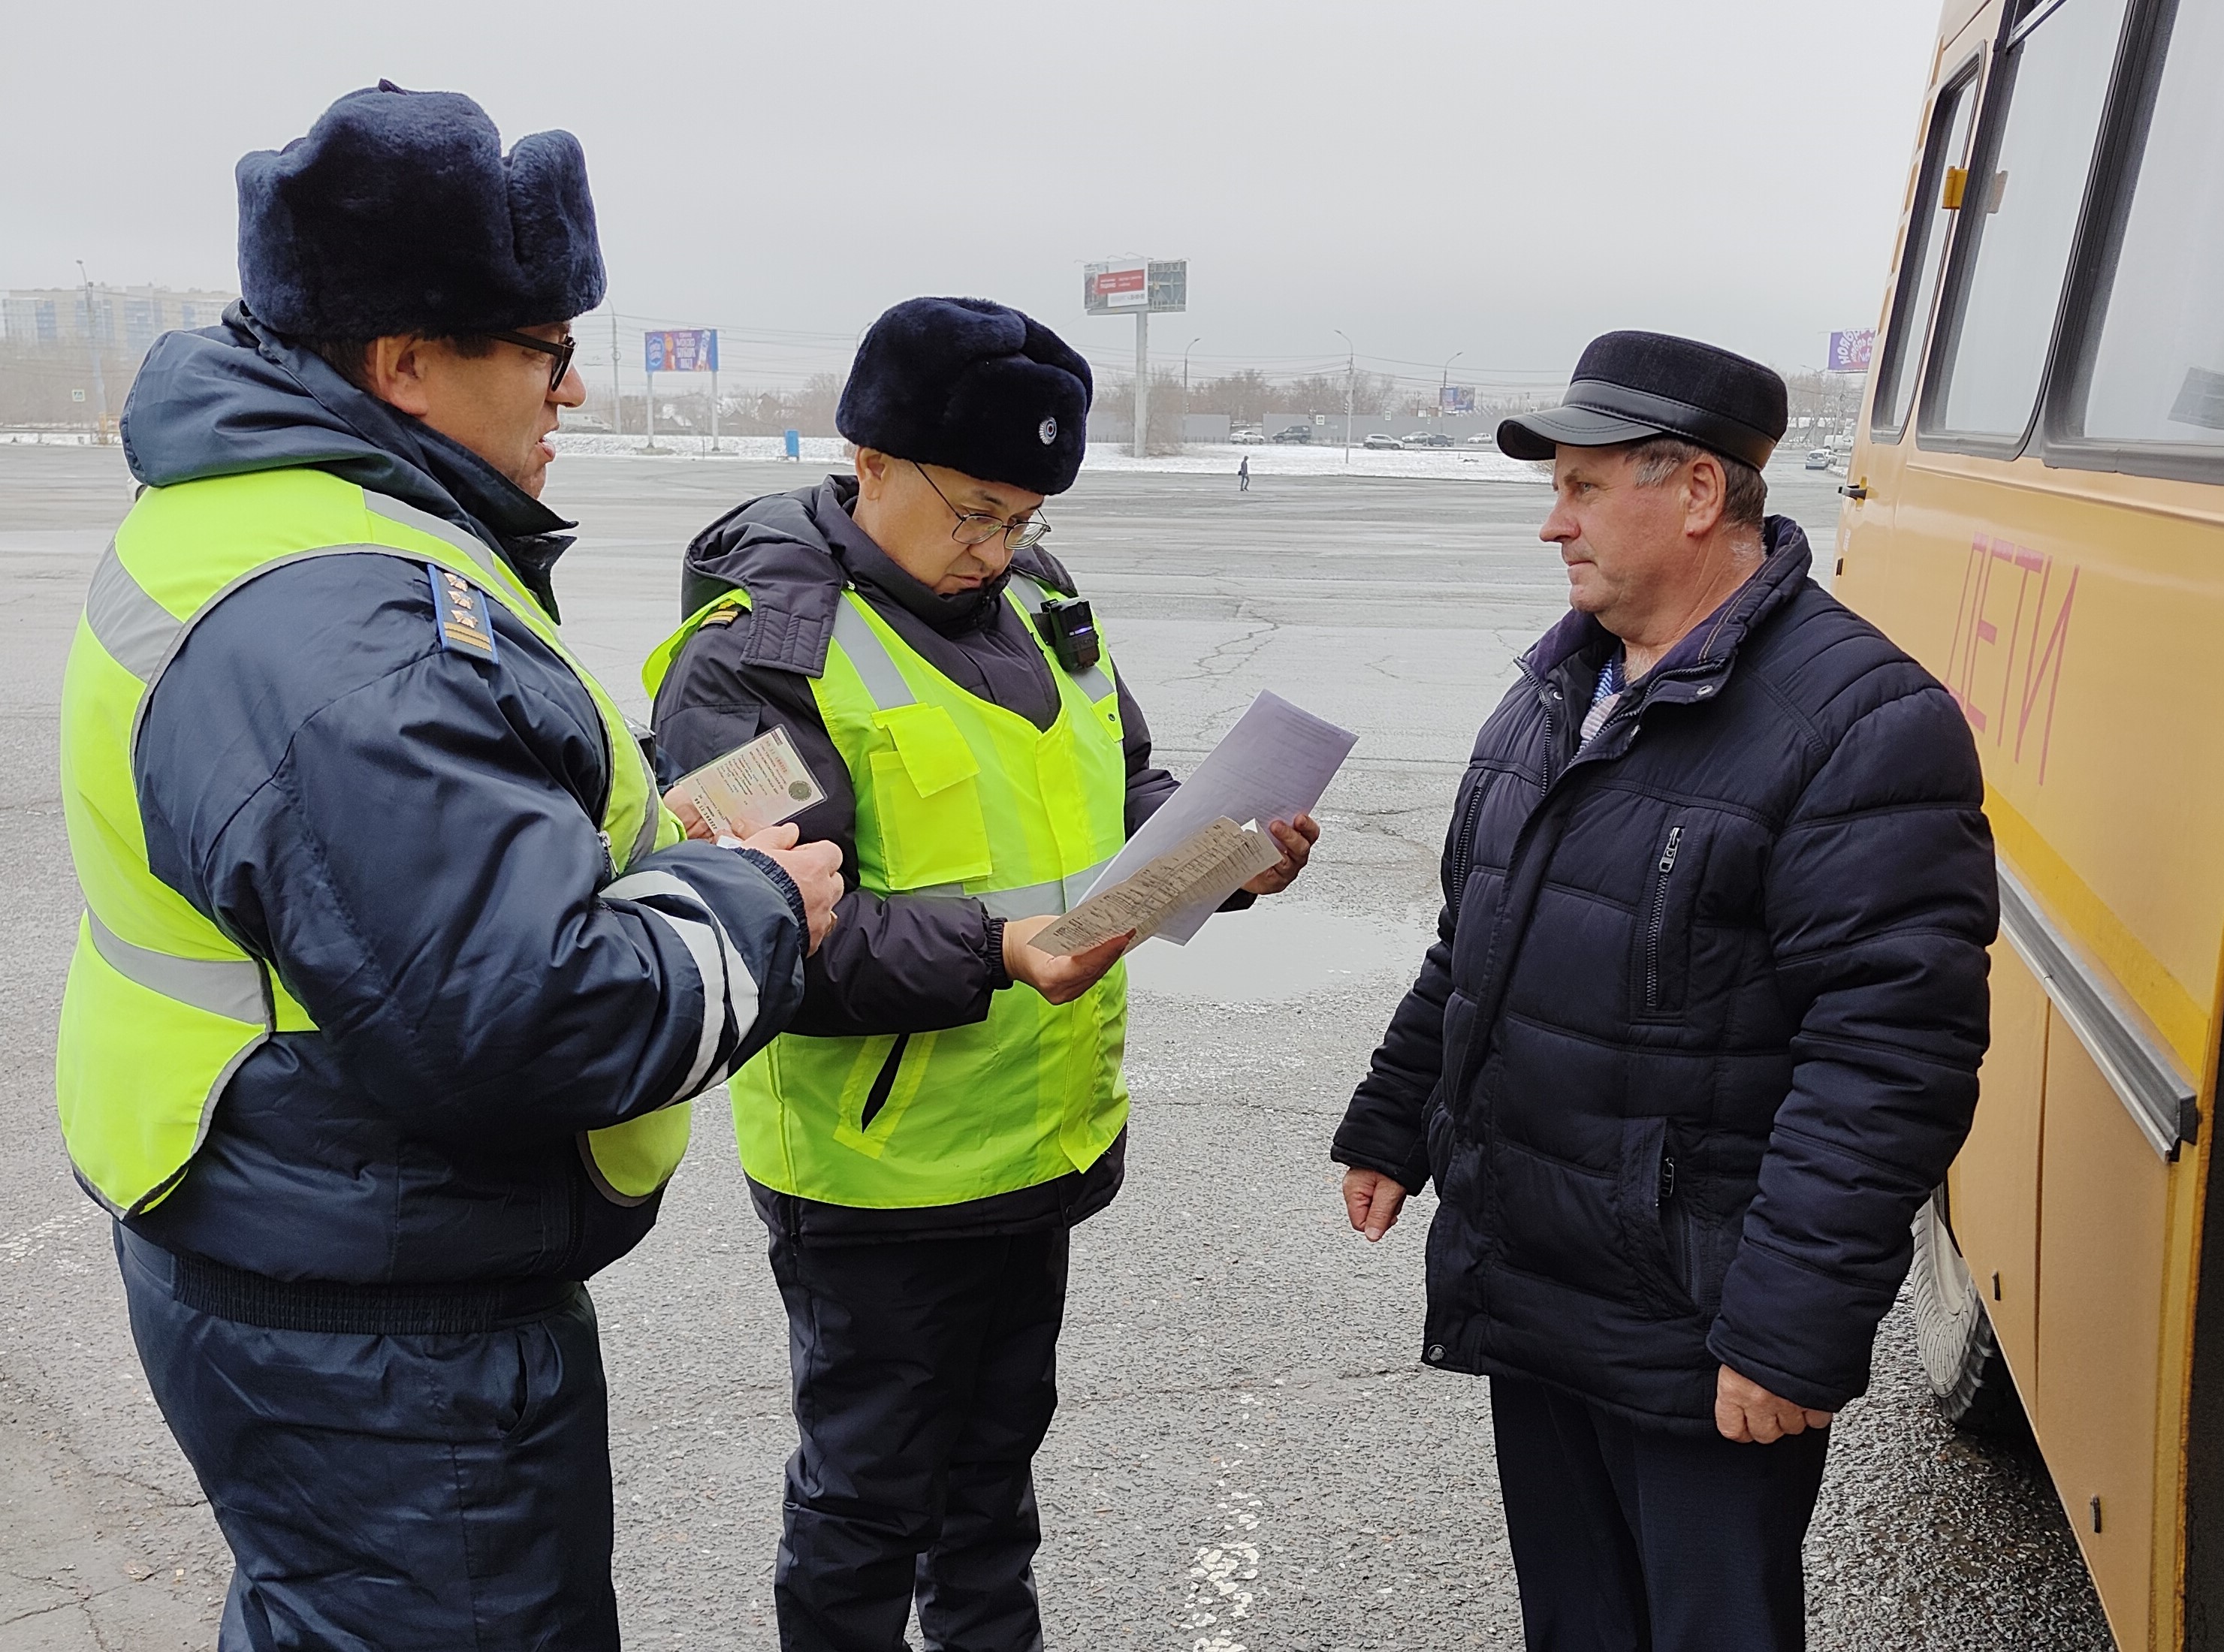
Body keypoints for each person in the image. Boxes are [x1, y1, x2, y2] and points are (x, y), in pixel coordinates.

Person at [54, 82, 841, 1648]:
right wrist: (759, 902)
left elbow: (398, 883)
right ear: (406, 363)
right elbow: (522, 1016)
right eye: (544, 353)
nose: (571, 395)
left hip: (300, 1235)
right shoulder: (345, 619)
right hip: (382, 1321)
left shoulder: (277, 521)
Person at [645, 295, 1317, 1652]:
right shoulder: (753, 655)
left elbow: (1123, 784)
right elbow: (775, 926)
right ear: (869, 459)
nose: (996, 550)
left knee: (994, 1486)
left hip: (1040, 1144)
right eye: (972, 513)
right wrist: (999, 950)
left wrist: (1225, 848)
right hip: (882, 1176)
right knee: (867, 1507)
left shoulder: (1044, 600)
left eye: (1024, 519)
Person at [1331, 331, 1996, 1651]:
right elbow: (1479, 943)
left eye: (1582, 489)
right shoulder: (1557, 690)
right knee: (1577, 1627)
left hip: (1703, 1321)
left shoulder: (1860, 724)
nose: (1552, 526)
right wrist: (1392, 1119)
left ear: (1696, 493)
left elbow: (1887, 1061)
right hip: (1538, 1279)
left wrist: (1788, 1331)